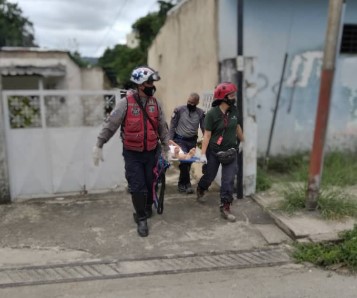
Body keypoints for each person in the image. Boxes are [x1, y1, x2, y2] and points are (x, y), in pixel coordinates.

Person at [92, 66, 169, 237]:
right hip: (133, 154)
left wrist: (166, 148)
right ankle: (141, 218)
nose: (152, 85)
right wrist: (99, 144)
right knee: (137, 186)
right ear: (141, 84)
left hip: (151, 152)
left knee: (150, 184)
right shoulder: (125, 104)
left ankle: (147, 207)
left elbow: (162, 127)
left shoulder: (156, 104)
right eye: (150, 82)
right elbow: (110, 125)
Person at [196, 82, 244, 222]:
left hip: (231, 151)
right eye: (231, 95)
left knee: (228, 180)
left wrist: (243, 141)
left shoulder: (234, 110)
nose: (234, 97)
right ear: (223, 97)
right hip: (214, 152)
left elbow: (237, 127)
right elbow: (207, 135)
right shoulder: (212, 114)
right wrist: (203, 154)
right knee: (209, 176)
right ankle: (201, 188)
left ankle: (225, 207)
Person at [169, 93, 205, 194]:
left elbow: (204, 129)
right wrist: (170, 142)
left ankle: (183, 183)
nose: (190, 104)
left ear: (197, 103)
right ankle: (185, 184)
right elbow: (172, 126)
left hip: (192, 141)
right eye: (189, 102)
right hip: (179, 141)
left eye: (193, 103)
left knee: (188, 163)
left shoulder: (200, 113)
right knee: (184, 161)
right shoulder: (179, 110)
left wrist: (205, 142)